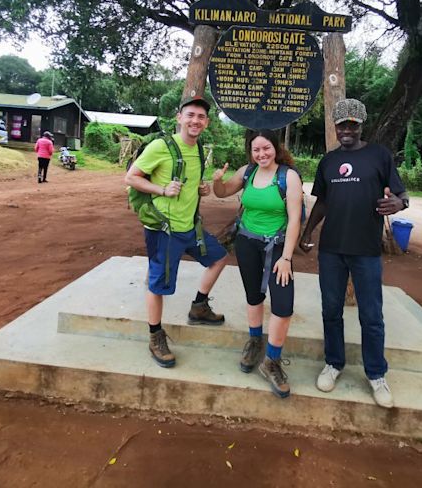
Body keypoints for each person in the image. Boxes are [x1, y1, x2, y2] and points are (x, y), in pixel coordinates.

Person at [299, 99, 409, 408]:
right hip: (332, 250)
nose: (347, 130)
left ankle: (376, 374)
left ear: (361, 126)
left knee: (371, 316)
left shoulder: (379, 156)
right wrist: (308, 233)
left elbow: (402, 194)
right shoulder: (329, 162)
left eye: (353, 124)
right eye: (342, 125)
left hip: (366, 251)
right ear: (335, 127)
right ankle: (334, 364)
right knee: (330, 311)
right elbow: (322, 202)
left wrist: (400, 204)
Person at [125, 96, 228, 368]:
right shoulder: (160, 146)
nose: (195, 120)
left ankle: (199, 306)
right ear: (179, 118)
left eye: (201, 117)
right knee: (158, 284)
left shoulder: (198, 148)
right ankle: (155, 335)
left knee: (219, 258)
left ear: (206, 123)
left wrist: (202, 189)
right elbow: (131, 177)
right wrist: (161, 190)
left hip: (190, 226)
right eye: (190, 115)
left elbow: (190, 183)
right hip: (164, 229)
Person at [212, 129, 303, 398]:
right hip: (247, 243)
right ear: (250, 152)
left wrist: (287, 258)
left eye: (266, 148)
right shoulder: (247, 172)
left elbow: (295, 219)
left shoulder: (288, 177)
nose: (261, 154)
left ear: (275, 148)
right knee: (254, 296)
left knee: (283, 305)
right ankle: (254, 341)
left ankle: (271, 360)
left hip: (277, 246)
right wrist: (217, 181)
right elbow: (223, 192)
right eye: (256, 150)